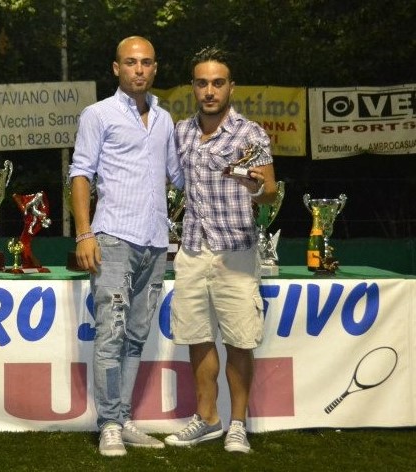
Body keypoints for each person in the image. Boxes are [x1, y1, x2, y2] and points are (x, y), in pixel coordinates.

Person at [69, 36, 184, 457]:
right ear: (116, 68)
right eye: (131, 62)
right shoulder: (98, 114)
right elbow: (80, 173)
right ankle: (109, 425)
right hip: (113, 238)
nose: (139, 69)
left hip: (155, 242)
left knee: (135, 336)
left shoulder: (165, 119)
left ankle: (123, 416)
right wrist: (84, 233)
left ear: (155, 68)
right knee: (111, 334)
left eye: (146, 62)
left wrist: (227, 173)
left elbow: (179, 177)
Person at [164, 46, 277, 454]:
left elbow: (270, 191)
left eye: (217, 83)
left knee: (240, 342)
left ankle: (238, 425)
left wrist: (256, 188)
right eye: (202, 83)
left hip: (236, 251)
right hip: (193, 249)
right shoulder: (180, 132)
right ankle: (208, 418)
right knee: (197, 338)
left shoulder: (251, 133)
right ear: (193, 87)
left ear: (231, 87)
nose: (209, 91)